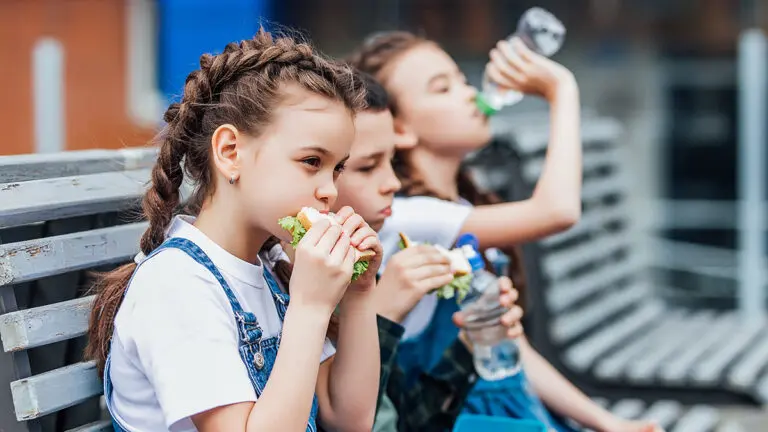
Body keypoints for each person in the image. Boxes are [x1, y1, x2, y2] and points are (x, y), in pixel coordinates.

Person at [348, 31, 661, 432]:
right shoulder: (407, 219)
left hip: (509, 406)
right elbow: (558, 211)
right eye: (442, 88)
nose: (467, 93)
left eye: (462, 80)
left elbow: (512, 348)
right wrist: (561, 91)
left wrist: (607, 423)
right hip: (460, 416)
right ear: (400, 128)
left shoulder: (456, 208)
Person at [86, 30, 381, 432]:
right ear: (230, 152)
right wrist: (309, 307)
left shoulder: (271, 265)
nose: (330, 190)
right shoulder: (177, 286)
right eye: (312, 161)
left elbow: (347, 419)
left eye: (338, 168)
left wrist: (360, 294)